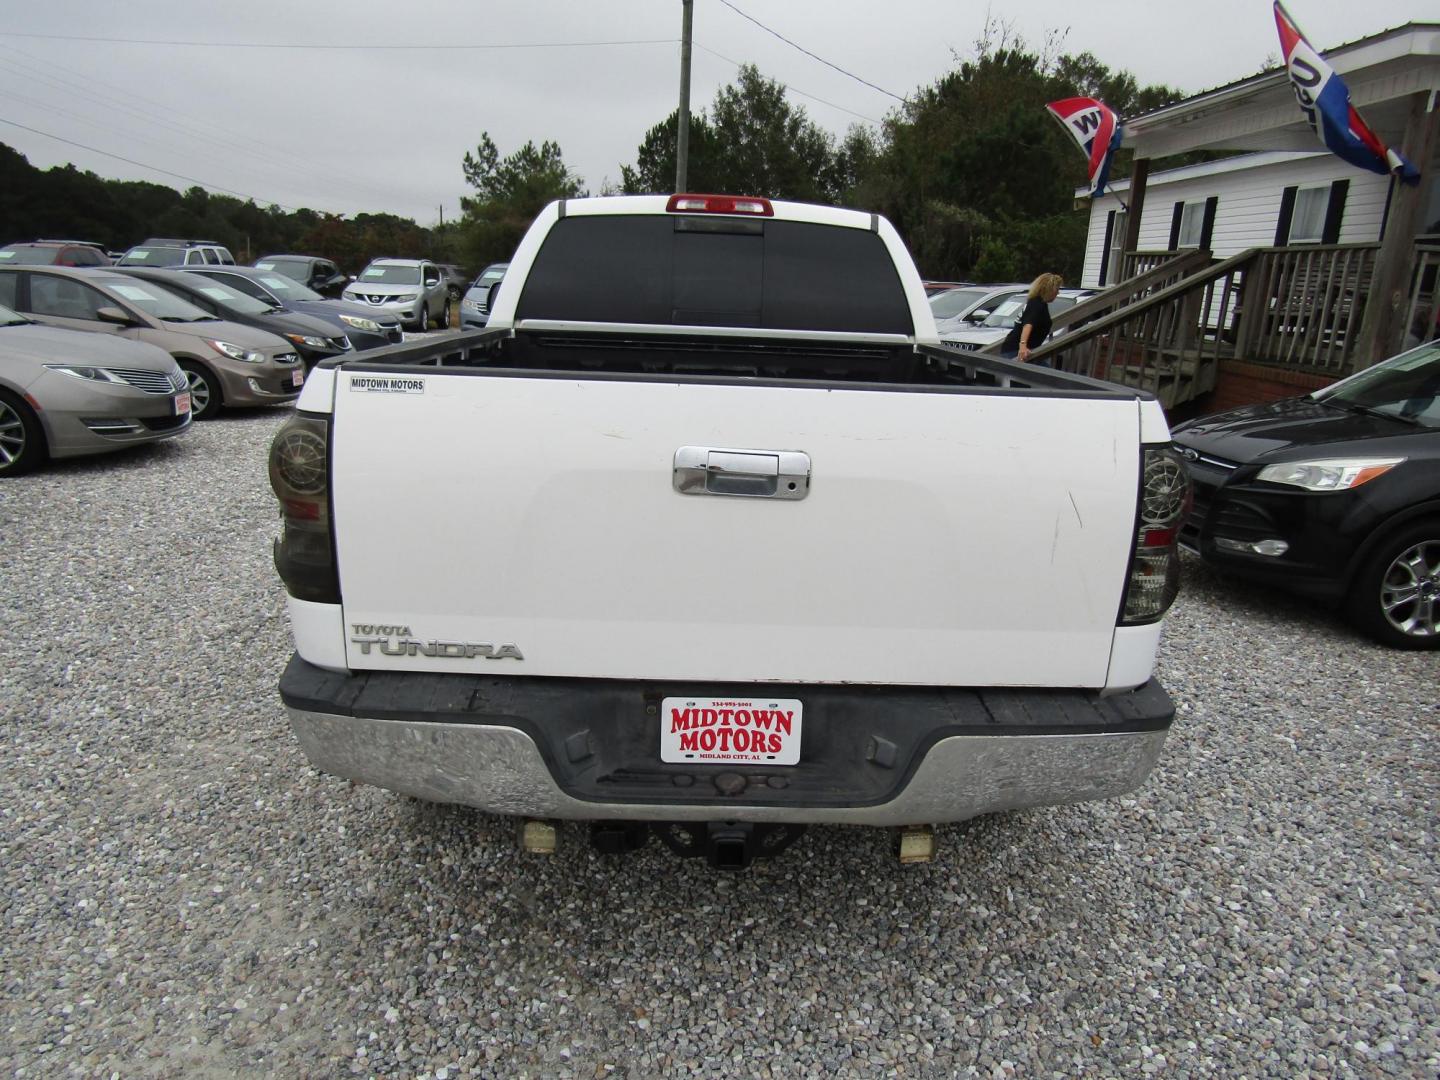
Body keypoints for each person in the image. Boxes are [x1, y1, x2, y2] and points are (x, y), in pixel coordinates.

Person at [1001, 273, 1063, 363]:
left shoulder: (1037, 302)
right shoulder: (1037, 304)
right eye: (1057, 289)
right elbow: (1028, 325)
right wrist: (1022, 346)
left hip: (1015, 349)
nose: (1058, 293)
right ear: (1049, 289)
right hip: (1015, 351)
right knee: (1044, 374)